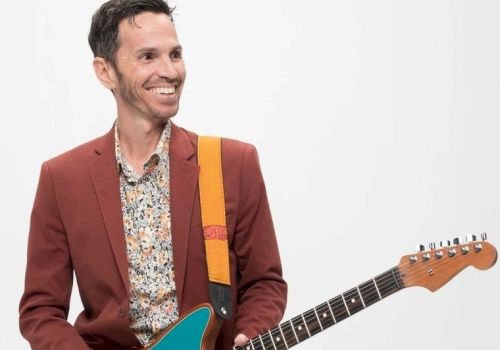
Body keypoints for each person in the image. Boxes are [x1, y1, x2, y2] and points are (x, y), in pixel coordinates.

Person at [19, 1, 287, 349]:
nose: (170, 71)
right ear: (105, 71)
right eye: (148, 56)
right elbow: (41, 310)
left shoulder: (233, 163)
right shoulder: (61, 178)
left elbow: (264, 282)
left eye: (175, 54)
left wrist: (248, 335)